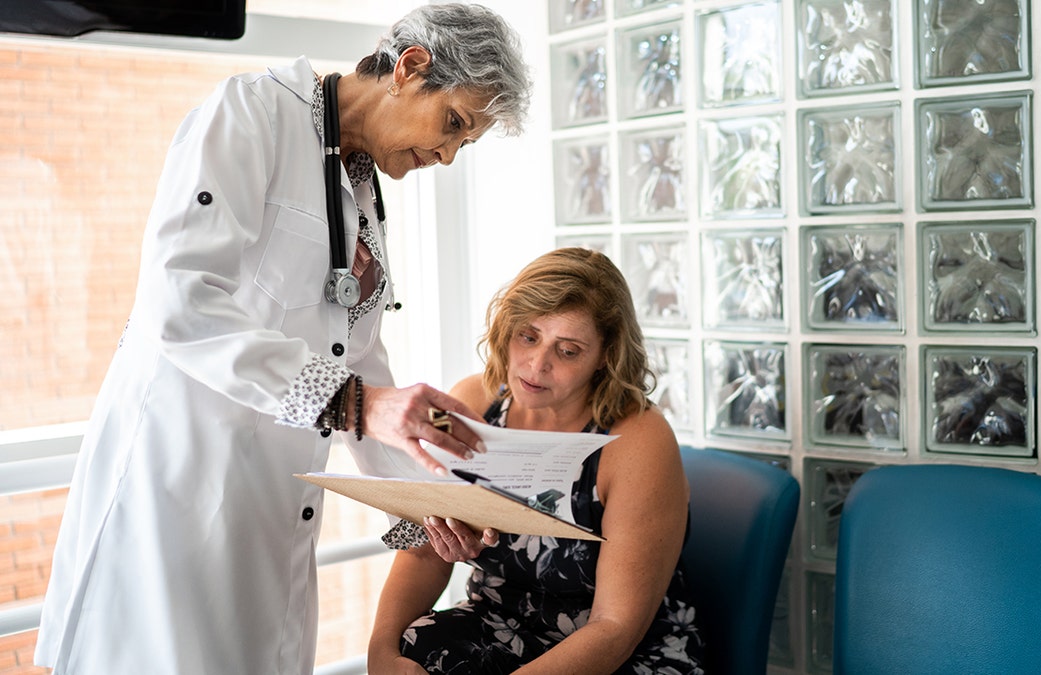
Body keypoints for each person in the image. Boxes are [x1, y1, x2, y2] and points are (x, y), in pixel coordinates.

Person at [34, 4, 532, 674]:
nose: (445, 156)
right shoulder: (251, 114)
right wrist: (359, 402)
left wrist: (431, 506)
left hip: (269, 524)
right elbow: (178, 301)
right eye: (453, 125)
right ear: (411, 68)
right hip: (179, 503)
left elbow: (361, 375)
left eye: (462, 146)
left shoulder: (362, 196)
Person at [367, 247, 706, 674]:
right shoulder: (472, 402)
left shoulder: (640, 439)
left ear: (605, 356)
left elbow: (615, 626)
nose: (537, 364)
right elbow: (423, 547)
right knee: (414, 650)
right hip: (498, 622)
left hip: (617, 648)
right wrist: (381, 654)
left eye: (567, 351)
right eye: (528, 336)